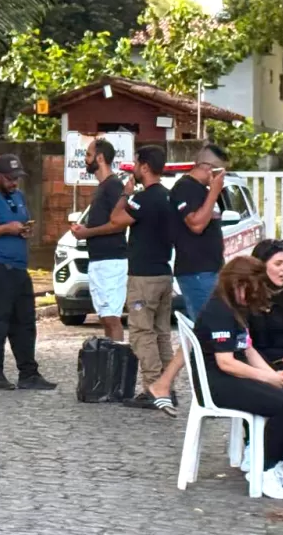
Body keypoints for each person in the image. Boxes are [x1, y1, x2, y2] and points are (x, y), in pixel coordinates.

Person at [190, 256, 283, 499]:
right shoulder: (219, 312)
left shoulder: (235, 309)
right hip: (217, 383)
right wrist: (266, 379)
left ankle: (277, 459)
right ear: (238, 285)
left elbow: (248, 349)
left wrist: (272, 375)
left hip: (229, 376)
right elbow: (226, 362)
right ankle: (264, 469)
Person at [145, 144, 229, 415]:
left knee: (200, 331)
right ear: (208, 169)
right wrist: (214, 191)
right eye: (220, 172)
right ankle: (179, 388)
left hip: (210, 270)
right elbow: (196, 224)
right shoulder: (185, 189)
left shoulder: (205, 191)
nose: (222, 178)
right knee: (208, 331)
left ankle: (168, 386)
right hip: (196, 271)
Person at [0, 154, 56, 391]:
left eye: (17, 178)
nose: (14, 182)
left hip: (18, 267)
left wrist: (23, 230)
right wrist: (4, 228)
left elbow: (18, 223)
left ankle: (28, 373)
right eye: (9, 178)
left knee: (25, 322)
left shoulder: (18, 196)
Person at [99, 146, 175, 410]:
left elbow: (115, 219)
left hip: (144, 276)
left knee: (143, 333)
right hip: (164, 273)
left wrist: (125, 194)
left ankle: (154, 389)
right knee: (162, 334)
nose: (133, 168)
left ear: (144, 167)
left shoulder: (143, 199)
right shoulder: (168, 196)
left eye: (135, 163)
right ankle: (167, 387)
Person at [242, 239, 283, 480]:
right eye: (278, 264)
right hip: (255, 358)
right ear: (261, 266)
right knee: (279, 393)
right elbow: (244, 342)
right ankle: (255, 445)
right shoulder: (246, 296)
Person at [71, 139, 128, 342]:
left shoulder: (113, 185)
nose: (85, 159)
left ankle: (117, 356)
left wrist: (88, 233)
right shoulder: (102, 187)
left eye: (88, 155)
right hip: (98, 260)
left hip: (111, 261)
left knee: (112, 318)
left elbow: (120, 223)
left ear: (100, 158)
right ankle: (109, 355)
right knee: (104, 317)